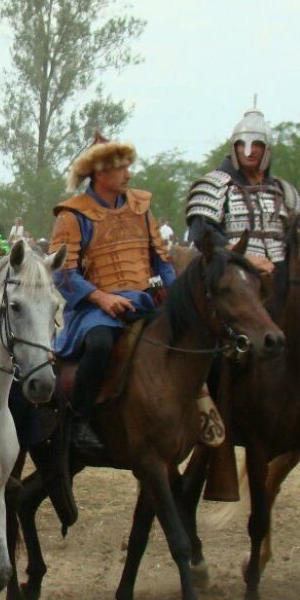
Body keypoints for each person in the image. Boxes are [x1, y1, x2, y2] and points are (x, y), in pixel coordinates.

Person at [49, 132, 175, 442]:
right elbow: (63, 273)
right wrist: (101, 298)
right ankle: (79, 420)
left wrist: (176, 297)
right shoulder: (73, 215)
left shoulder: (141, 207)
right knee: (101, 344)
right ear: (100, 171)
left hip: (144, 301)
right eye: (121, 168)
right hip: (94, 310)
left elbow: (162, 262)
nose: (128, 174)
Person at [186, 107, 300, 272]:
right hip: (229, 275)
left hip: (281, 275)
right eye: (243, 144)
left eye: (257, 144)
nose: (250, 151)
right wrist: (245, 258)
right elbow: (202, 233)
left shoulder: (284, 191)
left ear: (267, 149)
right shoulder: (214, 184)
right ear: (234, 147)